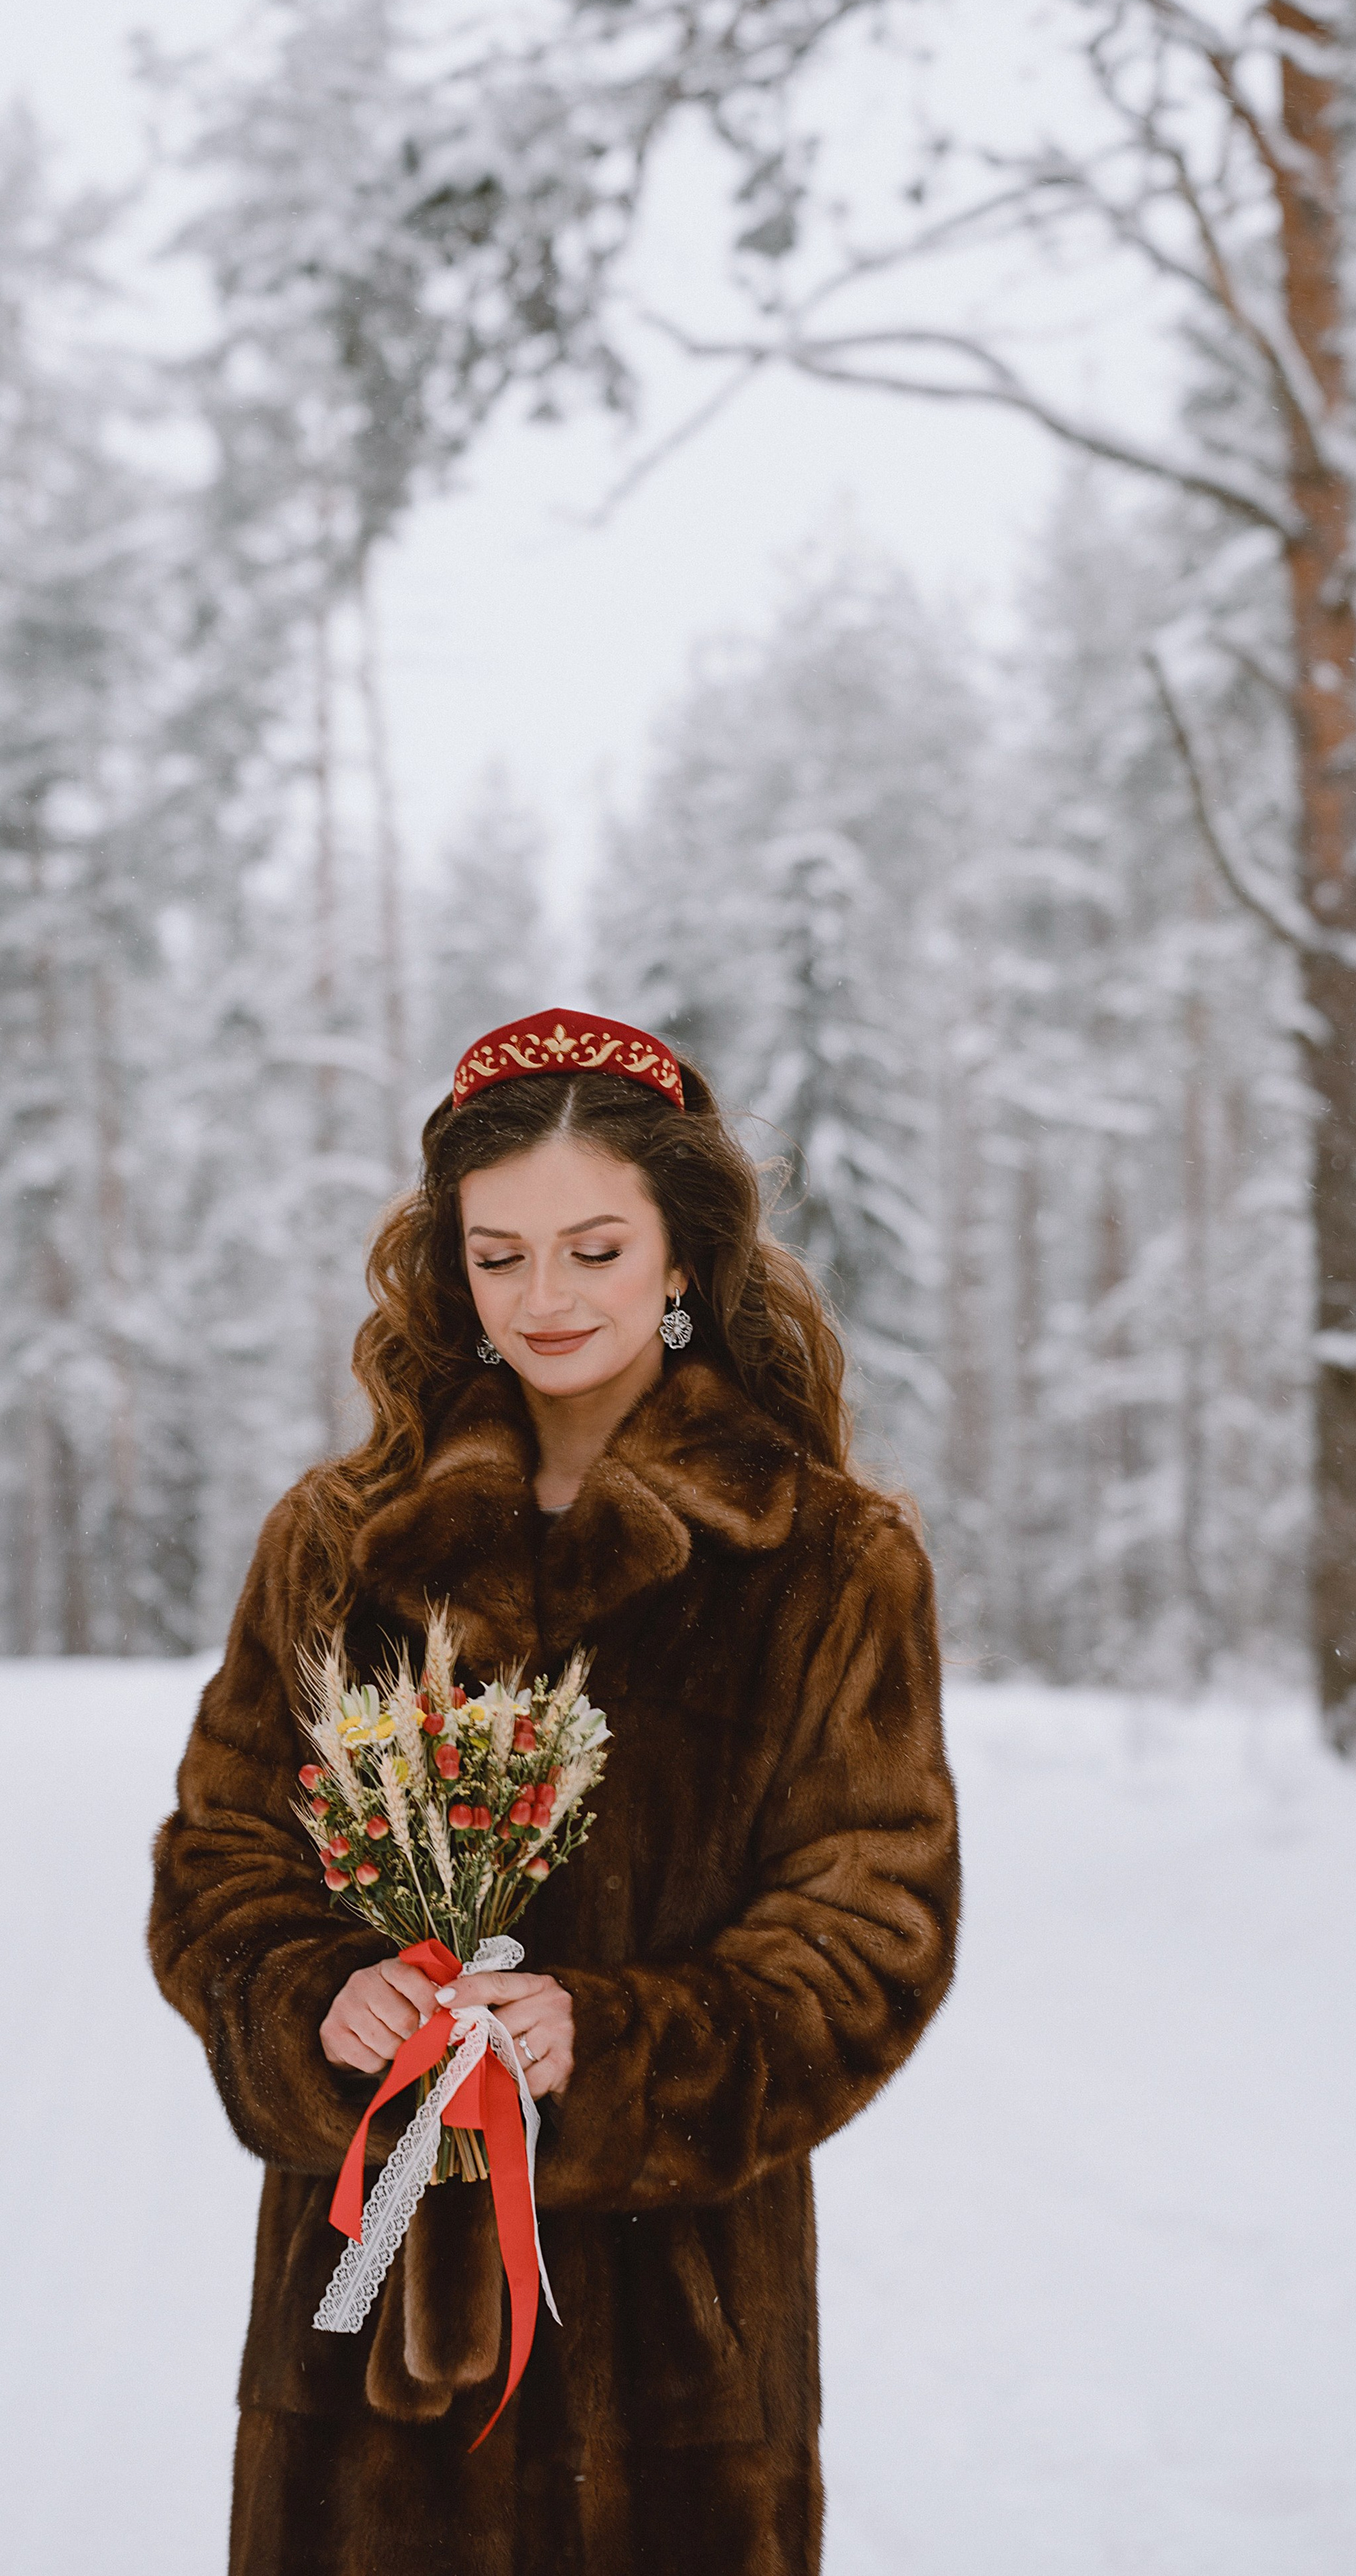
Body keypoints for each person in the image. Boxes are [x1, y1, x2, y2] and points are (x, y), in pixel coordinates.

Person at [149, 1008, 960, 2576]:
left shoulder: (827, 1559)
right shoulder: (335, 1538)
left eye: (594, 1250)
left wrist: (621, 2040)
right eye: (499, 1255)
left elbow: (874, 1929)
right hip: (362, 2344)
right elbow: (222, 1857)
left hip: (675, 2355)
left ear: (683, 1257)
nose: (545, 1299)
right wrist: (314, 1994)